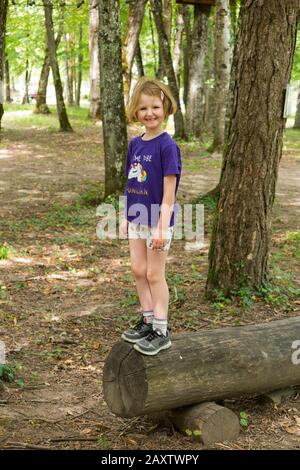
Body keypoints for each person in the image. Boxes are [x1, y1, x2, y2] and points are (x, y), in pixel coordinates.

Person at [120, 77, 182, 356]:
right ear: (136, 111)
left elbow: (170, 193)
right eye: (143, 108)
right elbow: (131, 181)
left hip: (158, 220)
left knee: (155, 274)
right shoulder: (135, 144)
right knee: (138, 270)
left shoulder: (167, 146)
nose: (150, 113)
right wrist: (125, 214)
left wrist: (160, 227)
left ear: (166, 107)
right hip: (136, 217)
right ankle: (147, 320)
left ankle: (161, 329)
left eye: (155, 106)